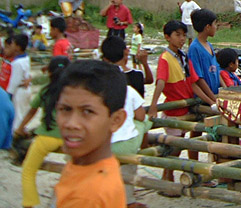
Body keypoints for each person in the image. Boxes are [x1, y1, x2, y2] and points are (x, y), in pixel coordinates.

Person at [148, 20, 216, 183]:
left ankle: (172, 175)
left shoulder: (184, 57)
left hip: (186, 106)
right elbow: (161, 82)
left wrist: (211, 101)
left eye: (184, 35)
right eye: (177, 35)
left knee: (181, 143)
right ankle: (167, 175)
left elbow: (193, 82)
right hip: (174, 108)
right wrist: (153, 105)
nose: (181, 39)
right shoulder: (165, 58)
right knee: (175, 147)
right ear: (167, 37)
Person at [53, 60, 127, 208]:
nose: (71, 123)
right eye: (65, 109)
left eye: (87, 111)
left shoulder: (88, 197)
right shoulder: (85, 164)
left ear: (116, 120)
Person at [102, 36, 152, 208]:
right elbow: (140, 115)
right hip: (126, 143)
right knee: (143, 121)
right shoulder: (130, 86)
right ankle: (128, 201)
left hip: (103, 142)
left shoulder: (97, 87)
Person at [16, 56, 70, 208]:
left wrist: (20, 128)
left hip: (46, 138)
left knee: (28, 171)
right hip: (69, 138)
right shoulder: (74, 93)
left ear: (49, 73)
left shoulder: (45, 91)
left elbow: (31, 112)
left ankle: (29, 203)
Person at [188, 9, 220, 100]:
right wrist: (212, 98)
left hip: (215, 95)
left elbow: (216, 70)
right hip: (205, 98)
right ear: (207, 27)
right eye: (214, 24)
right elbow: (198, 78)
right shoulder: (195, 48)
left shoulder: (209, 45)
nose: (216, 27)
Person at [6, 33, 32, 130]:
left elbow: (14, 82)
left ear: (17, 47)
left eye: (12, 44)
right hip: (26, 89)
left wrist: (9, 94)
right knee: (23, 112)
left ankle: (17, 133)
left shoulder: (17, 63)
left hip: (19, 90)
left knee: (18, 115)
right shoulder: (26, 58)